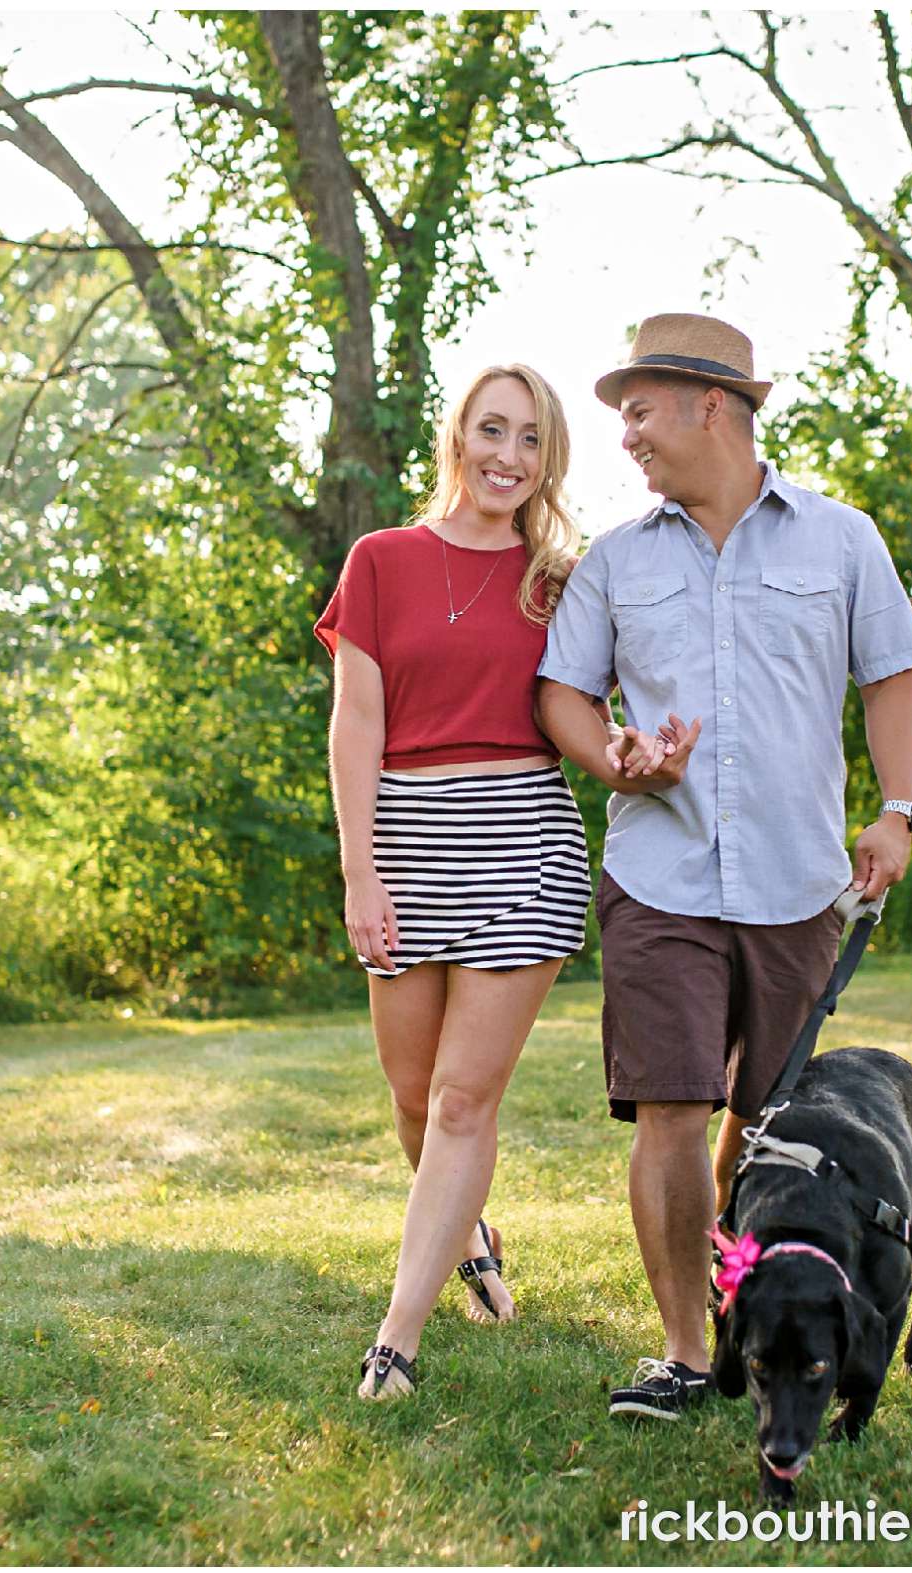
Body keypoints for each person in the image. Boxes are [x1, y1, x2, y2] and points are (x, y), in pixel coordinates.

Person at [534, 313, 912, 1422]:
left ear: (712, 405)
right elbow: (563, 692)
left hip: (798, 884)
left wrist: (895, 810)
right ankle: (678, 1348)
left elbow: (890, 677)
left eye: (638, 411)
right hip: (658, 874)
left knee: (768, 1121)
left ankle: (754, 1313)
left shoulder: (840, 540)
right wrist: (608, 756)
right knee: (669, 1106)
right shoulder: (616, 560)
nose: (625, 437)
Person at [317, 363, 590, 1401]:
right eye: (491, 431)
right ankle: (468, 1232)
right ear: (456, 438)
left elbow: (597, 702)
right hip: (405, 843)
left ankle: (397, 1338)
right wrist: (360, 868)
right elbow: (355, 724)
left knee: (463, 1099)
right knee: (410, 1096)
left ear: (546, 460)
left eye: (529, 440)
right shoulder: (380, 560)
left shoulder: (560, 579)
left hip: (523, 843)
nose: (506, 457)